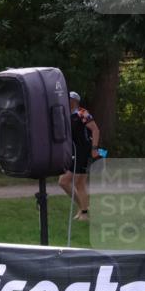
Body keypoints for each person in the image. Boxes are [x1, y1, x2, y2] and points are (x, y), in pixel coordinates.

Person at [58, 91, 101, 221]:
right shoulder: (66, 114)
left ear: (75, 101)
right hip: (73, 151)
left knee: (78, 182)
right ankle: (83, 207)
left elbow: (95, 130)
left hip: (84, 151)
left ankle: (85, 212)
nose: (67, 101)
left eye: (69, 99)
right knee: (64, 182)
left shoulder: (82, 113)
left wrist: (94, 148)